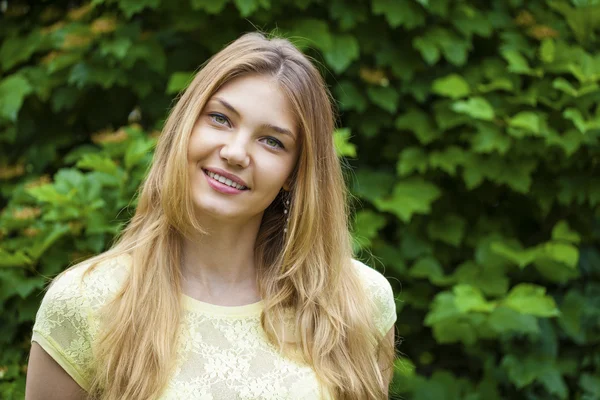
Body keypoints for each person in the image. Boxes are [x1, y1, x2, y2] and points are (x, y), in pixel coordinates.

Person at [25, 32, 397, 400]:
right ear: (185, 128)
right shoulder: (86, 302)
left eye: (272, 141)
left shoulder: (357, 302)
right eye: (220, 119)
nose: (235, 153)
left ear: (294, 175)